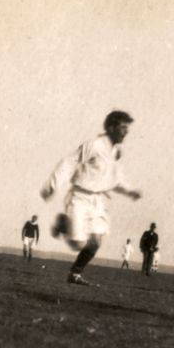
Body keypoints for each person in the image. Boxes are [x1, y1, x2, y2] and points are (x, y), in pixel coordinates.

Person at [41, 110, 142, 286]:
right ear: (110, 128)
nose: (126, 131)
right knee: (78, 244)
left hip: (98, 201)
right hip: (80, 197)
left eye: (127, 128)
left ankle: (75, 274)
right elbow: (69, 162)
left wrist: (130, 191)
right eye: (123, 127)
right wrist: (53, 185)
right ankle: (63, 223)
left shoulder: (115, 152)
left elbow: (116, 179)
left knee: (95, 242)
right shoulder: (94, 145)